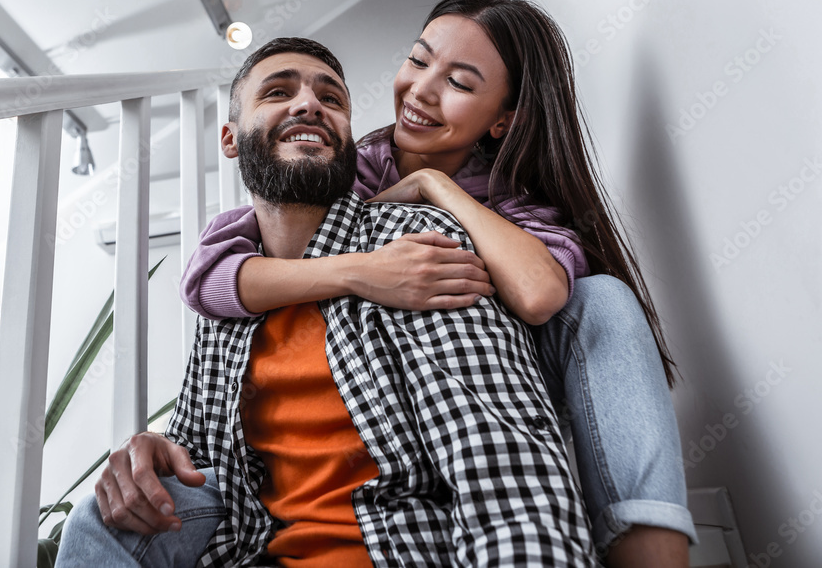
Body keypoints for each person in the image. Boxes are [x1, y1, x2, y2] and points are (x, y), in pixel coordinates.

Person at [180, 0, 696, 566]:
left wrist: (437, 190)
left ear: (504, 119)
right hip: (394, 395)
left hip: (500, 394)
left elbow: (540, 294)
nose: (422, 90)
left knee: (602, 299)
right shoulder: (348, 168)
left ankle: (654, 549)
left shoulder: (516, 205)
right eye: (420, 60)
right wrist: (364, 271)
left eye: (460, 83)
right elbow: (207, 280)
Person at [57, 37, 597, 567]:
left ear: (347, 141)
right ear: (230, 139)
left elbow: (505, 474)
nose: (309, 103)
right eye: (277, 92)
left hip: (391, 550)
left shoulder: (417, 248)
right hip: (246, 551)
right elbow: (203, 454)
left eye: (331, 98)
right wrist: (154, 449)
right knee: (102, 518)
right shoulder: (232, 303)